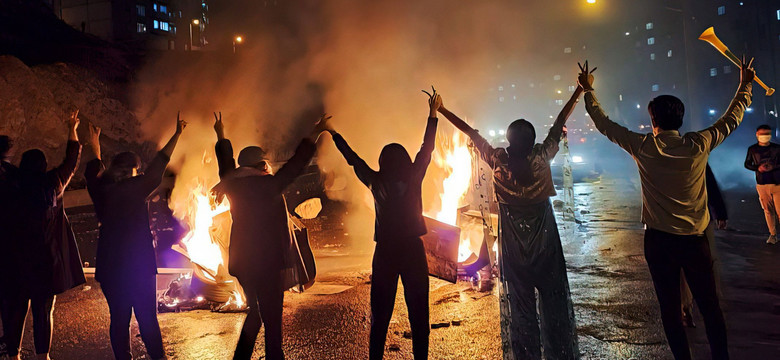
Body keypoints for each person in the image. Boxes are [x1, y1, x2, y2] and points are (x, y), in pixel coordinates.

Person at [580, 57, 754, 360]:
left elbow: (604, 125)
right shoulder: (699, 144)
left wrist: (588, 92)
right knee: (710, 307)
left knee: (670, 310)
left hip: (659, 242)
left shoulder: (644, 146)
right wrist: (745, 85)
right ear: (681, 120)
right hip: (694, 241)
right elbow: (731, 119)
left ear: (652, 121)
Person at [439, 63, 584, 359]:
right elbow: (558, 123)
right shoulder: (542, 156)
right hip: (545, 248)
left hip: (515, 253)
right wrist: (580, 90)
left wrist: (441, 109)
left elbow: (469, 131)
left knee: (521, 310)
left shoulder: (498, 161)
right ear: (532, 140)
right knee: (553, 304)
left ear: (508, 140)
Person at [325, 90, 439, 360]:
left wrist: (330, 131)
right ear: (405, 161)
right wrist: (433, 114)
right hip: (413, 250)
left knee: (380, 314)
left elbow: (352, 158)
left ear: (382, 162)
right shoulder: (414, 176)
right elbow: (427, 148)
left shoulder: (375, 180)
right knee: (419, 314)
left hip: (385, 252)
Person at [212, 111, 328, 360]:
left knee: (256, 311)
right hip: (269, 263)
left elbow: (225, 164)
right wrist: (315, 134)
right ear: (261, 164)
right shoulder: (269, 185)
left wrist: (221, 135)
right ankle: (275, 356)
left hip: (243, 264)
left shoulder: (232, 183)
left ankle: (241, 356)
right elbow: (296, 165)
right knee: (272, 317)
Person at [85, 113, 186, 360]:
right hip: (138, 265)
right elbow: (159, 166)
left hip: (110, 266)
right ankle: (158, 358)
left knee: (118, 319)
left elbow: (92, 170)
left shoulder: (101, 189)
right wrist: (177, 134)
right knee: (147, 317)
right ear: (132, 169)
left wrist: (94, 144)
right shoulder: (134, 188)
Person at [1, 111, 85, 360]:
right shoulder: (53, 184)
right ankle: (42, 356)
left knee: (15, 311)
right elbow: (71, 161)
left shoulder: (11, 185)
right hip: (46, 264)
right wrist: (72, 128)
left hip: (15, 264)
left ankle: (14, 355)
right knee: (43, 311)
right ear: (43, 166)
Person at [680, 164, 728, 328]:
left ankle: (688, 307)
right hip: (699, 219)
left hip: (677, 222)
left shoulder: (657, 155)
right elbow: (710, 185)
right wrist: (720, 212)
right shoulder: (696, 152)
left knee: (684, 268)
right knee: (706, 263)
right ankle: (704, 307)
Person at [744, 124, 780, 245]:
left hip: (777, 184)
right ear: (757, 135)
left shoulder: (777, 148)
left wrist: (773, 166)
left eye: (767, 134)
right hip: (762, 184)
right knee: (768, 211)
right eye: (762, 134)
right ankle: (773, 235)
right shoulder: (752, 149)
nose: (765, 137)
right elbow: (747, 163)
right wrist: (758, 168)